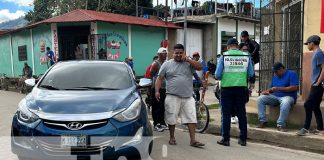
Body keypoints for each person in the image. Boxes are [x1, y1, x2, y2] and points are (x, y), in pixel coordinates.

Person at [155, 44, 205, 148]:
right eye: (176, 53)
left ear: (184, 53)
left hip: (188, 96)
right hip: (172, 96)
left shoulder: (189, 63)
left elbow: (200, 67)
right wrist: (157, 91)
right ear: (173, 53)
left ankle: (193, 140)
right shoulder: (167, 64)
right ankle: (172, 137)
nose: (178, 55)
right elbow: (159, 78)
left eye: (180, 53)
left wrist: (189, 60)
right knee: (172, 117)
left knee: (191, 118)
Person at [215, 38, 254, 146]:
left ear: (228, 46)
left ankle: (225, 139)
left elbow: (217, 75)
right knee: (241, 114)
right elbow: (250, 74)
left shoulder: (225, 56)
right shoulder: (246, 56)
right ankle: (243, 139)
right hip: (241, 88)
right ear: (237, 46)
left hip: (226, 89)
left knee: (226, 114)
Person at [257, 62, 299, 131]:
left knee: (286, 102)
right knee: (260, 98)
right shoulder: (275, 77)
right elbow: (272, 89)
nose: (275, 73)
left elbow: (294, 88)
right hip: (275, 97)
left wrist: (278, 88)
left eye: (276, 72)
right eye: (274, 72)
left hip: (288, 96)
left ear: (281, 69)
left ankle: (280, 125)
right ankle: (263, 121)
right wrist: (267, 91)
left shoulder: (292, 74)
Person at [297, 35, 324, 136]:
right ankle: (320, 129)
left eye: (308, 43)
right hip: (316, 84)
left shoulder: (318, 54)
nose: (307, 45)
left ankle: (306, 128)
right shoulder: (316, 53)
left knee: (307, 104)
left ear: (312, 43)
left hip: (317, 85)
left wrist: (317, 82)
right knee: (315, 107)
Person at [150, 48, 168, 132]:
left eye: (166, 53)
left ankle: (162, 122)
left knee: (162, 106)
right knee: (156, 106)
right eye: (163, 53)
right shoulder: (155, 64)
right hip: (157, 88)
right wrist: (153, 85)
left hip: (164, 88)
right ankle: (156, 123)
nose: (165, 55)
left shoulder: (166, 63)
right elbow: (151, 74)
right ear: (159, 54)